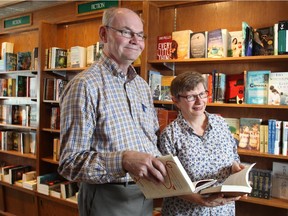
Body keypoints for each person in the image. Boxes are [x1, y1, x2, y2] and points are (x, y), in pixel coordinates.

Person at [58, 7, 167, 216]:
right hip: (107, 197)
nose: (135, 40)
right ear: (103, 34)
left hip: (145, 194)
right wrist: (123, 161)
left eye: (140, 35)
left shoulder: (141, 86)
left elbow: (150, 139)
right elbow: (69, 163)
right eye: (126, 32)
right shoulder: (85, 85)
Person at [158, 71, 245, 215]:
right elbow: (168, 183)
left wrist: (236, 170)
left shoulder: (221, 123)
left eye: (202, 94)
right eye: (191, 96)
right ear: (176, 101)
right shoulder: (170, 135)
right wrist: (201, 200)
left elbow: (234, 158)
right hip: (186, 211)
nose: (199, 101)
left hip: (222, 210)